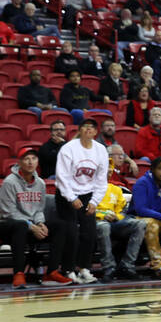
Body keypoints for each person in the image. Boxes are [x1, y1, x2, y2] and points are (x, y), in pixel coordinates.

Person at [0, 148, 72, 287]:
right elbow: (9, 212)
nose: (30, 162)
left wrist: (41, 223)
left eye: (34, 159)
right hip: (5, 225)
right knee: (21, 225)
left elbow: (38, 209)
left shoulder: (40, 183)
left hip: (29, 226)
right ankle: (18, 274)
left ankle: (52, 272)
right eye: (26, 159)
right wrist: (31, 226)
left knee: (60, 225)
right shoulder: (9, 182)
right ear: (19, 162)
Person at [55, 118, 108, 284]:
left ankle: (84, 268)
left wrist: (94, 201)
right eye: (85, 127)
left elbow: (101, 179)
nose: (88, 130)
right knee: (71, 233)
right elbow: (61, 176)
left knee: (89, 233)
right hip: (66, 194)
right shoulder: (68, 148)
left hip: (87, 194)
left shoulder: (101, 150)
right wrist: (72, 198)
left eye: (92, 128)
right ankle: (68, 269)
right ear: (80, 130)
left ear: (95, 132)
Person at [94, 180, 144, 281]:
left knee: (140, 224)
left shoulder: (116, 189)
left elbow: (122, 211)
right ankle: (109, 267)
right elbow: (84, 209)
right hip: (94, 221)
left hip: (115, 222)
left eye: (111, 168)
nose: (109, 170)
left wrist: (116, 216)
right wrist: (102, 216)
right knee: (104, 226)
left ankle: (127, 266)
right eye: (106, 167)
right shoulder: (87, 188)